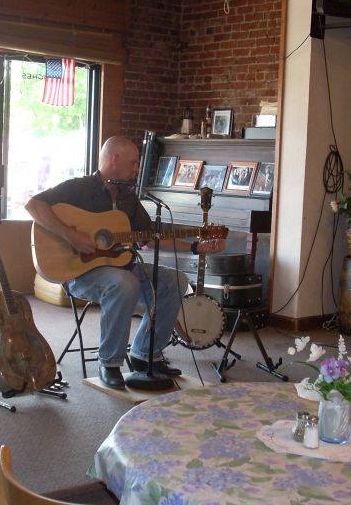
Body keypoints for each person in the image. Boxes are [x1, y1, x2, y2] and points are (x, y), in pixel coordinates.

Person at [26, 136, 226, 389]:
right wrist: (71, 235)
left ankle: (146, 354)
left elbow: (150, 238)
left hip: (123, 268)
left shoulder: (128, 199)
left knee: (175, 280)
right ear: (114, 159)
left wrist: (197, 246)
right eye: (133, 162)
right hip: (80, 273)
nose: (137, 168)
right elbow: (33, 205)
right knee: (124, 282)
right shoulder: (78, 188)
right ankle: (109, 362)